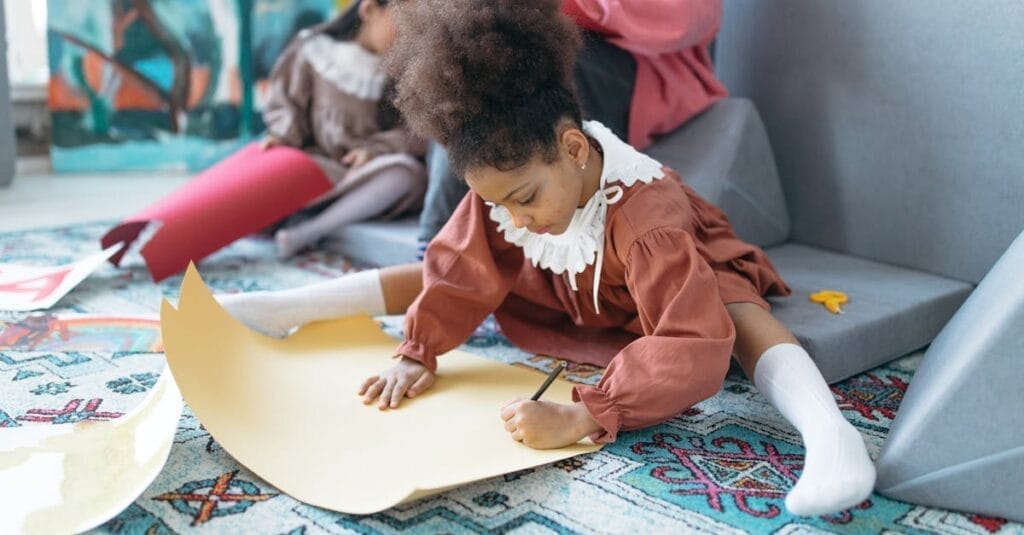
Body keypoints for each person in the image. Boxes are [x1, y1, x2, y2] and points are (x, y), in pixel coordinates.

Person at [218, 0, 875, 517]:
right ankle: (291, 306)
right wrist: (416, 350)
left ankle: (829, 435)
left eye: (524, 197)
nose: (516, 217)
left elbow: (690, 341)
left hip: (660, 266)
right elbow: (458, 262)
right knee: (470, 265)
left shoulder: (647, 222)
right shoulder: (517, 197)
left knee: (729, 308)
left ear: (576, 148)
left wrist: (592, 410)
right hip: (581, 283)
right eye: (500, 203)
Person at [415, 0, 727, 250]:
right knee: (469, 59)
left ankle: (446, 248)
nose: (519, 220)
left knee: (527, 50)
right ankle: (439, 245)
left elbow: (684, 18)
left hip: (642, 68)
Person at [260, 0, 425, 258]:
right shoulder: (313, 49)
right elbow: (287, 104)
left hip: (361, 175)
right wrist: (283, 135)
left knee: (407, 174)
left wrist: (375, 149)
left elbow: (414, 130)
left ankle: (309, 231)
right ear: (369, 9)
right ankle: (314, 219)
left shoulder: (402, 73)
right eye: (404, 24)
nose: (410, 37)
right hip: (318, 165)